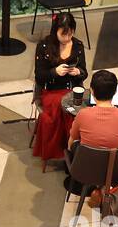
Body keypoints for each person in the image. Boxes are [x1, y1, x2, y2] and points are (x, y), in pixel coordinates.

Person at [32, 12, 87, 168]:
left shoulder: (78, 46)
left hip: (72, 89)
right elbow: (39, 77)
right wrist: (54, 72)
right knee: (62, 111)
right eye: (63, 34)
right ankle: (66, 151)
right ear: (55, 30)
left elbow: (84, 72)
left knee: (79, 112)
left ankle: (76, 150)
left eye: (70, 33)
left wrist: (78, 72)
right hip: (52, 91)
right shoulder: (44, 46)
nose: (67, 38)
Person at [69, 70, 118, 150]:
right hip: (115, 161)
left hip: (85, 161)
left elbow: (73, 138)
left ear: (92, 91)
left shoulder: (82, 114)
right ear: (115, 92)